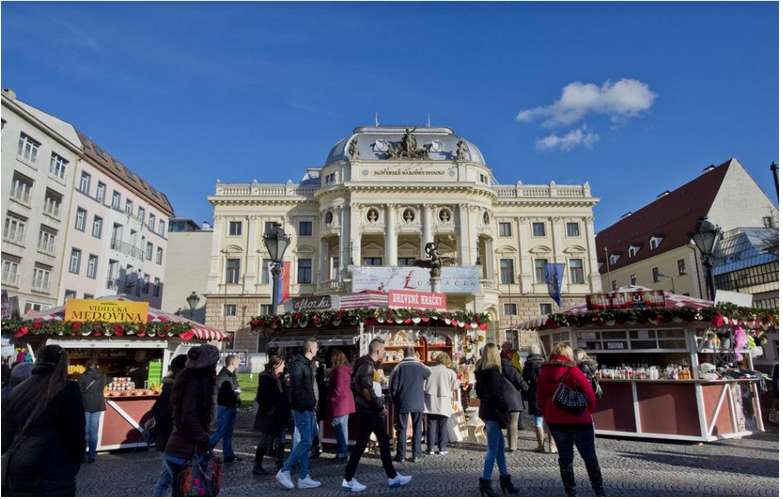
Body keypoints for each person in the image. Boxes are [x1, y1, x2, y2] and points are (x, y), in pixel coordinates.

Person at [1, 344, 86, 497]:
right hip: (54, 462)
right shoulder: (68, 388)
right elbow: (75, 432)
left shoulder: (18, 389)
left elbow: (7, 431)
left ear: (39, 360)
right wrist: (75, 461)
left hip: (19, 459)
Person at [342, 338, 412, 493]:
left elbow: (360, 387)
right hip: (369, 411)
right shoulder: (367, 366)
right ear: (378, 351)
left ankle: (392, 476)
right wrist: (379, 406)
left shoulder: (365, 365)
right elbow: (367, 390)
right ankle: (348, 478)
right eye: (384, 350)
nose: (385, 353)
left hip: (369, 410)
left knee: (384, 441)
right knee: (361, 445)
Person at [538, 343, 605, 498]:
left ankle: (571, 491)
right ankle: (599, 490)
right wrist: (589, 410)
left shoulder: (544, 372)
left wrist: (546, 414)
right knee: (589, 457)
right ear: (568, 355)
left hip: (556, 421)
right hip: (579, 419)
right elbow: (590, 393)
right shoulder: (572, 370)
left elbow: (540, 399)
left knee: (565, 458)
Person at [163, 344, 220, 498]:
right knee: (186, 491)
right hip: (185, 451)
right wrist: (202, 437)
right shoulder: (195, 384)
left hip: (178, 448)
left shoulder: (187, 381)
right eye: (215, 363)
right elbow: (188, 416)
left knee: (179, 490)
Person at [276, 338, 321, 490]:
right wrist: (303, 405)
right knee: (306, 441)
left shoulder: (307, 365)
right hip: (302, 409)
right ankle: (285, 470)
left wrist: (313, 403)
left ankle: (303, 477)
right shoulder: (299, 365)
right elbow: (295, 389)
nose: (317, 349)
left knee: (309, 438)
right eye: (316, 347)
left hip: (308, 408)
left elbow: (308, 386)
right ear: (310, 349)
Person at [475, 343, 518, 497]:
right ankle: (485, 480)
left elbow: (480, 393)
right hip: (493, 412)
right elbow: (496, 395)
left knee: (499, 446)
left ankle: (505, 478)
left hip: (487, 410)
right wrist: (504, 406)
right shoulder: (493, 372)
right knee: (493, 448)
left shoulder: (481, 371)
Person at [151, 354, 188, 497]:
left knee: (165, 479)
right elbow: (163, 418)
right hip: (169, 442)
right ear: (179, 369)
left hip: (170, 442)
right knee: (177, 482)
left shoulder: (175, 388)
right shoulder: (170, 390)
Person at [390, 346, 431, 463]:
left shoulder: (398, 367)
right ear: (414, 354)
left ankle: (401, 455)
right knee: (417, 428)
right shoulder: (420, 366)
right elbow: (429, 372)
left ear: (403, 354)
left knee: (402, 429)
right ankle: (416, 455)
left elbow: (393, 387)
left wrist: (395, 400)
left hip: (403, 402)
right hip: (418, 401)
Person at [253, 355, 290, 476]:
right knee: (265, 440)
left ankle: (279, 464)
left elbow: (282, 396)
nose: (284, 366)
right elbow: (262, 397)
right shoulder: (267, 378)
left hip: (280, 414)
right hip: (270, 416)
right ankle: (257, 465)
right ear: (276, 365)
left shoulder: (279, 378)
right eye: (282, 364)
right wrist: (271, 410)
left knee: (282, 438)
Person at [424, 351, 459, 455]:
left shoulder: (429, 370)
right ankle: (442, 447)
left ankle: (430, 448)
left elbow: (424, 385)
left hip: (431, 399)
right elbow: (455, 387)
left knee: (431, 423)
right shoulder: (451, 373)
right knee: (443, 424)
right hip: (444, 400)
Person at [78, 358, 111, 463]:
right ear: (97, 366)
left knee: (85, 431)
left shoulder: (82, 376)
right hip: (98, 404)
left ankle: (82, 455)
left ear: (86, 367)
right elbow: (111, 380)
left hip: (85, 404)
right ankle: (92, 456)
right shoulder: (103, 375)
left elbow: (78, 390)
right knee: (93, 431)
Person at [210, 355, 242, 462]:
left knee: (228, 431)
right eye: (238, 362)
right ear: (232, 363)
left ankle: (228, 453)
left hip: (231, 405)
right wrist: (235, 392)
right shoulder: (223, 376)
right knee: (221, 431)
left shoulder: (232, 375)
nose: (239, 363)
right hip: (224, 407)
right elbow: (221, 393)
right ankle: (206, 449)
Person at [500, 342, 528, 453]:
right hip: (514, 399)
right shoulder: (512, 369)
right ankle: (512, 445)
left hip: (502, 398)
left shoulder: (497, 369)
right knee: (513, 423)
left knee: (505, 423)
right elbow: (523, 385)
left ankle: (505, 444)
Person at [328, 350, 355, 462]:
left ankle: (342, 453)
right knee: (343, 428)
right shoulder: (346, 370)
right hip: (346, 402)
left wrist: (331, 397)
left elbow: (338, 388)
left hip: (339, 403)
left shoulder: (339, 370)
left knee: (338, 428)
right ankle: (343, 452)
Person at [523, 343, 548, 453]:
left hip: (535, 394)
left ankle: (540, 444)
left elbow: (524, 380)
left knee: (538, 420)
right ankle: (553, 445)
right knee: (549, 418)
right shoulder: (545, 363)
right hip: (546, 393)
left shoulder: (528, 364)